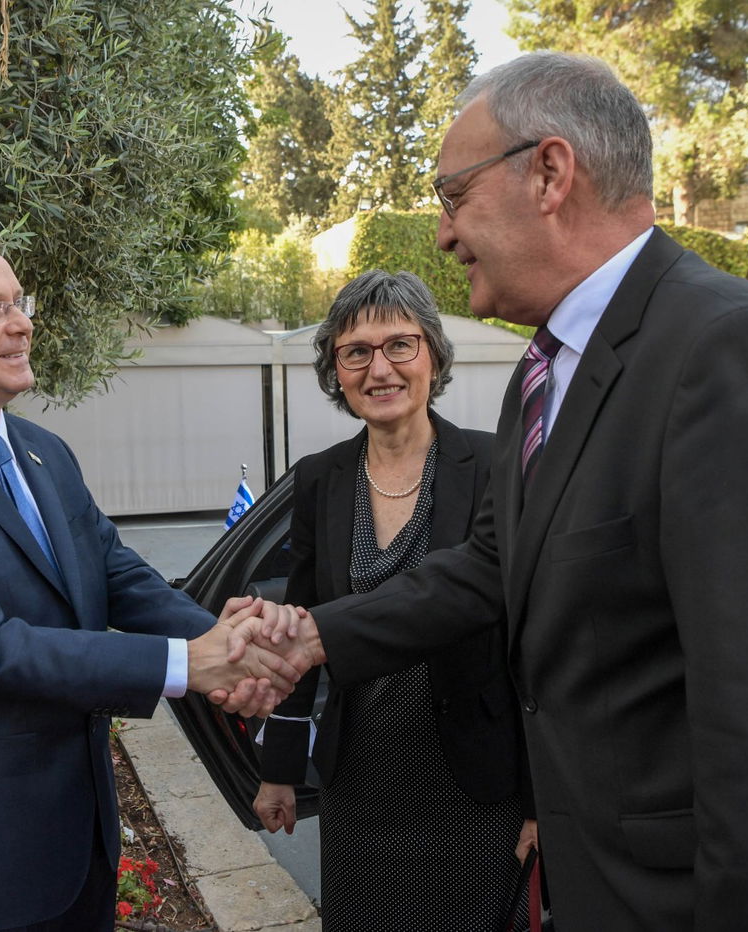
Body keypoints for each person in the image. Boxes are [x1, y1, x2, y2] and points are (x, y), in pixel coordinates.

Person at [235, 52, 748, 930]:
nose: (444, 236)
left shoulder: (725, 349)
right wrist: (311, 638)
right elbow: (491, 567)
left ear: (550, 173)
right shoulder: (545, 373)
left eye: (453, 197)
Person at [0, 227, 296, 932]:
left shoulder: (45, 452)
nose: (22, 324)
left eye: (21, 302)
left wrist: (229, 648)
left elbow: (118, 574)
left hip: (85, 830)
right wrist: (187, 663)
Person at [253, 270, 536, 931]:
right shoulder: (321, 479)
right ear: (337, 371)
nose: (379, 368)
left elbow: (528, 647)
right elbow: (300, 630)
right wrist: (280, 769)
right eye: (356, 352)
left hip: (473, 787)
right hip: (361, 784)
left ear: (432, 356)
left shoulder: (496, 467)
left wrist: (537, 803)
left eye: (399, 345)